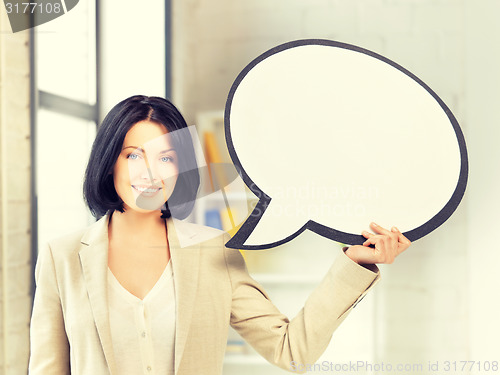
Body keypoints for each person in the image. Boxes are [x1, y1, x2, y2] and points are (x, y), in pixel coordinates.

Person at [29, 95, 411, 375]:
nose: (151, 173)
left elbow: (292, 350)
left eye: (165, 157)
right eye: (133, 155)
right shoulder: (62, 258)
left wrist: (353, 262)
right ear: (108, 161)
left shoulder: (213, 251)